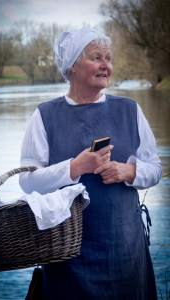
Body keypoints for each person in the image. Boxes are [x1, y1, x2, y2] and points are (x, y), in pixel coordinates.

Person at [19, 27, 162, 300]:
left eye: (108, 58)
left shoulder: (130, 109)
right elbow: (26, 181)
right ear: (73, 65)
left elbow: (155, 168)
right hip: (67, 257)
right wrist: (75, 167)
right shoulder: (45, 115)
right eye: (97, 57)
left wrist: (128, 171)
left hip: (125, 251)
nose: (106, 65)